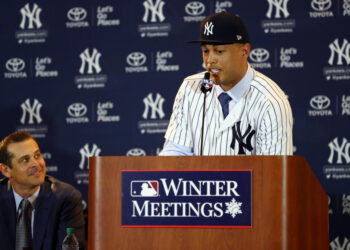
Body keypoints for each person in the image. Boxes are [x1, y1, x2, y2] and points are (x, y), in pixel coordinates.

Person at [160, 11, 293, 156]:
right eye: (205, 51)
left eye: (219, 51)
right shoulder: (190, 88)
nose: (210, 60)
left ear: (244, 51)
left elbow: (273, 173)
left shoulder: (270, 102)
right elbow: (174, 154)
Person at [0, 131, 85, 250]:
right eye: (25, 160)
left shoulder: (66, 198)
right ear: (5, 170)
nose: (35, 163)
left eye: (37, 155)